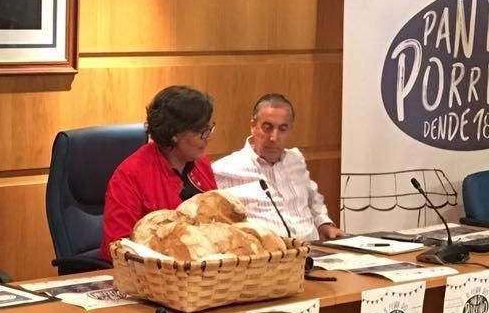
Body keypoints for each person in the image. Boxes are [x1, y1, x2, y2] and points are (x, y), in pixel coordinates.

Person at [100, 85, 220, 259]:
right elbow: (119, 245)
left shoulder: (201, 163)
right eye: (201, 131)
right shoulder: (130, 174)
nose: (208, 136)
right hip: (150, 273)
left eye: (209, 128)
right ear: (174, 134)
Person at [211, 93, 340, 241]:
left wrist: (324, 224)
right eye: (267, 128)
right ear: (253, 126)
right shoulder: (225, 169)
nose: (274, 137)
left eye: (283, 129)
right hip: (267, 258)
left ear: (290, 130)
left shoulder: (296, 160)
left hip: (314, 251)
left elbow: (313, 201)